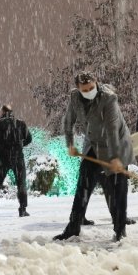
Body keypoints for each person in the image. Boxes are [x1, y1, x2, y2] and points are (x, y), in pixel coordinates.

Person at [53, 72, 132, 242]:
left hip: (116, 142)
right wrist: (70, 144)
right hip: (93, 143)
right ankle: (73, 228)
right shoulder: (75, 98)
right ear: (78, 89)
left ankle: (120, 230)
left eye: (91, 87)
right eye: (85, 89)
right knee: (83, 185)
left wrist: (116, 157)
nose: (89, 91)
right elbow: (68, 122)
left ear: (96, 82)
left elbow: (112, 129)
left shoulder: (109, 98)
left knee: (117, 188)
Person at [0, 104, 32, 219]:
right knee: (21, 183)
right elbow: (29, 138)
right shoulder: (21, 123)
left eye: (0, 112)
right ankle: (22, 208)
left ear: (2, 113)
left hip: (2, 158)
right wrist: (20, 145)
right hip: (17, 158)